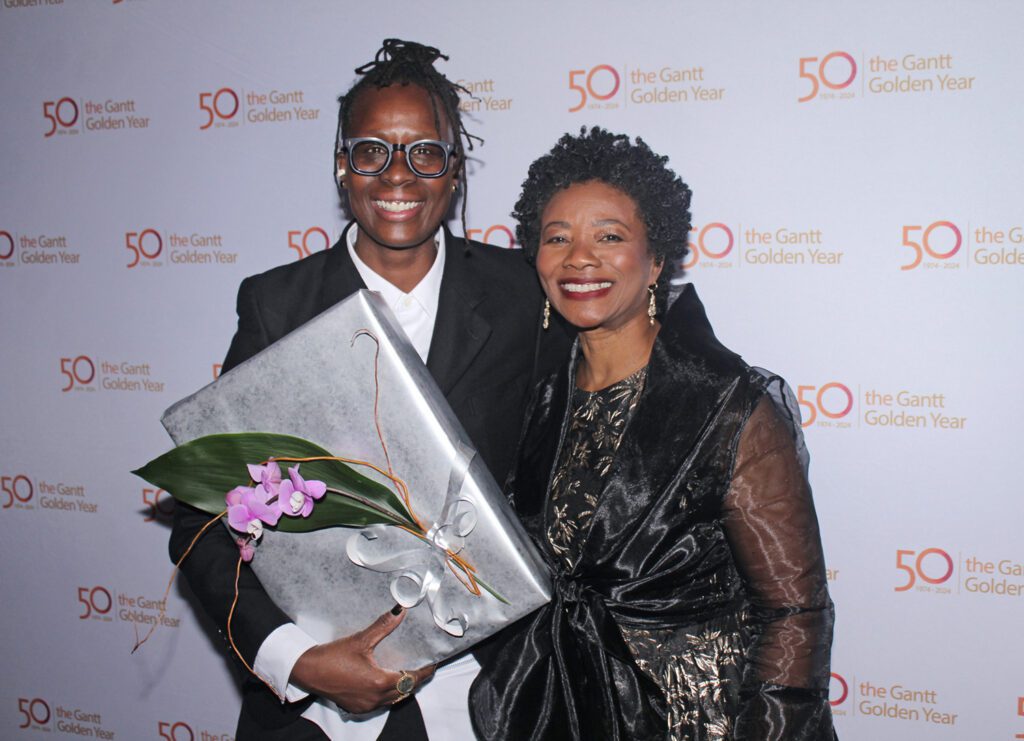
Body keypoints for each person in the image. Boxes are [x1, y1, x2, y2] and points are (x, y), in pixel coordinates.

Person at [169, 40, 569, 740]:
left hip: (488, 698)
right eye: (371, 151)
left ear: (455, 171)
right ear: (341, 166)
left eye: (426, 152)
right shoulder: (277, 305)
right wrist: (299, 661)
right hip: (315, 711)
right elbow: (201, 519)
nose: (398, 173)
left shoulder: (523, 295)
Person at [470, 127, 837, 740]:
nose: (579, 257)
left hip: (696, 720)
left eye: (609, 237)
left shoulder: (727, 405)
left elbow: (793, 613)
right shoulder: (543, 400)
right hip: (569, 708)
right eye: (556, 238)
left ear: (657, 260)